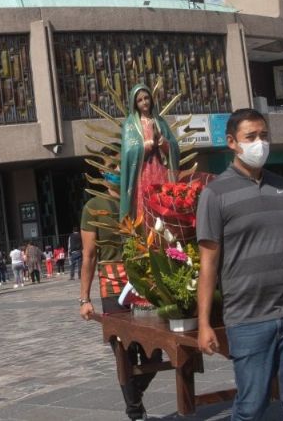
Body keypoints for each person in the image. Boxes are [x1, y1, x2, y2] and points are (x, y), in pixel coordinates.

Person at [196, 108, 283, 420]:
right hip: (248, 317)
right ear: (232, 142)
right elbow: (208, 264)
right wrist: (203, 324)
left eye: (264, 135)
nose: (260, 143)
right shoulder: (214, 194)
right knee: (251, 405)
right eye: (251, 137)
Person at [79, 160, 161, 421]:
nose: (116, 170)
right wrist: (84, 299)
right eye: (111, 165)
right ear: (102, 172)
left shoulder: (139, 200)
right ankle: (135, 411)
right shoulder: (93, 207)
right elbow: (89, 255)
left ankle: (133, 392)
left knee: (155, 351)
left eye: (120, 164)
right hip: (112, 285)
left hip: (143, 283)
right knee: (123, 351)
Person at [119, 83, 181, 220]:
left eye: (146, 98)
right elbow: (129, 153)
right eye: (139, 100)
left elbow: (174, 147)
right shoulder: (130, 125)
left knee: (163, 203)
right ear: (134, 103)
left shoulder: (160, 121)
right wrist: (147, 144)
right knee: (145, 208)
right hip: (142, 172)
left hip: (160, 169)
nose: (144, 102)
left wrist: (162, 141)